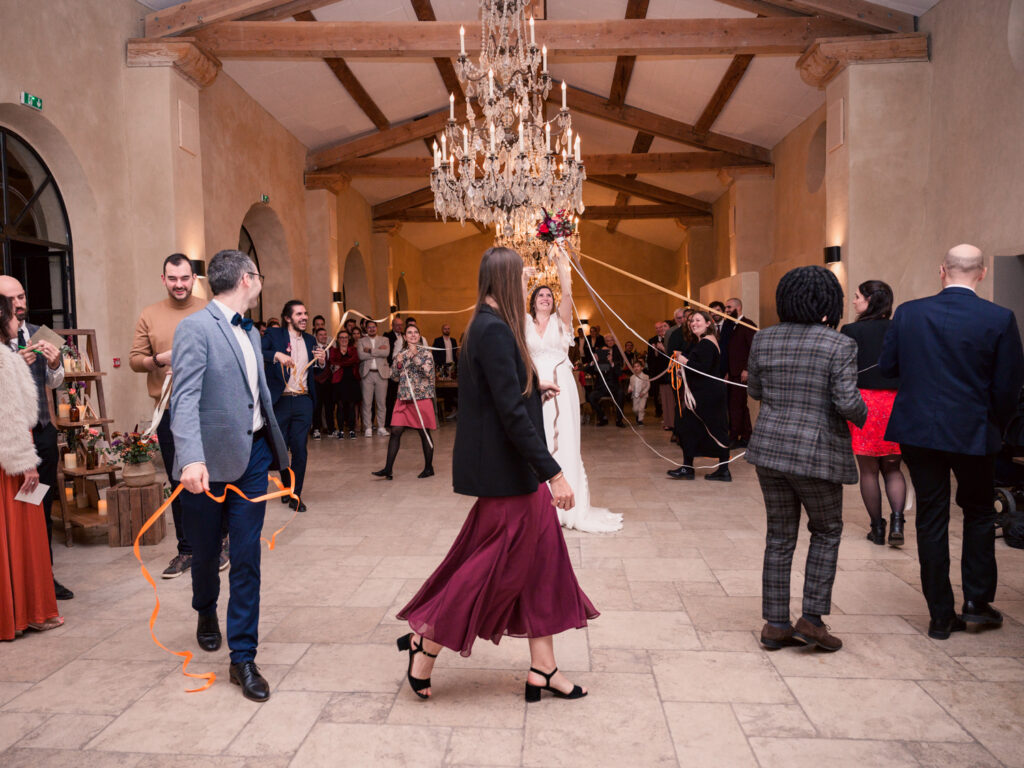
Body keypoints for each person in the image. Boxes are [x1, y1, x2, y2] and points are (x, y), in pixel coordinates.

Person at [395, 246, 597, 701]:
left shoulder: (492, 327)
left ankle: (543, 668)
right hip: (506, 472)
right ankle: (426, 643)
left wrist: (535, 385)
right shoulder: (492, 330)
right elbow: (508, 413)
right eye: (523, 280)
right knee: (487, 567)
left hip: (509, 471)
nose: (526, 288)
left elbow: (502, 391)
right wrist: (555, 474)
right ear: (506, 281)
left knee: (543, 561)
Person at [879, 244, 1024, 640]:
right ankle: (977, 602)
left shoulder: (909, 313)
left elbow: (889, 367)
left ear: (942, 270)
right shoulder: (998, 318)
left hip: (919, 430)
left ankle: (940, 614)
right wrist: (993, 421)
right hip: (973, 430)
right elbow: (1009, 386)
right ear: (982, 274)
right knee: (978, 512)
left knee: (931, 514)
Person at [170, 249, 290, 702]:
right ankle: (205, 609)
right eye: (258, 276)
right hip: (207, 463)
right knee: (204, 552)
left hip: (254, 456)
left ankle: (243, 657)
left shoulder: (252, 333)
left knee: (246, 556)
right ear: (246, 279)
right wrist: (190, 460)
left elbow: (254, 396)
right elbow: (184, 399)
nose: (260, 281)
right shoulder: (195, 328)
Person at [746, 266, 867, 653]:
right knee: (827, 530)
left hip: (771, 449)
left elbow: (755, 389)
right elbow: (847, 402)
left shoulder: (763, 339)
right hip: (817, 453)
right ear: (828, 303)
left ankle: (775, 623)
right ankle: (812, 620)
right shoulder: (839, 345)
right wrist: (865, 415)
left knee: (779, 536)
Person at [130, 254, 225, 579]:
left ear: (193, 279)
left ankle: (219, 542)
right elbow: (134, 360)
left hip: (208, 411)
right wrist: (159, 360)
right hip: (170, 412)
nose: (179, 284)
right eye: (173, 279)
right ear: (164, 279)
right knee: (178, 481)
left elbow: (226, 357)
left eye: (185, 278)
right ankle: (187, 549)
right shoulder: (150, 314)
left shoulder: (210, 310)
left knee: (216, 478)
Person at [527, 269, 623, 533]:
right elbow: (513, 301)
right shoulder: (524, 322)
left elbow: (568, 294)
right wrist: (524, 279)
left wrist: (560, 260)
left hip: (561, 385)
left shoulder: (561, 321)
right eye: (540, 295)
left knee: (565, 439)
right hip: (532, 386)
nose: (545, 298)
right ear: (533, 300)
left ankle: (565, 505)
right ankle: (537, 504)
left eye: (549, 295)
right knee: (536, 436)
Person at [0, 275, 72, 601]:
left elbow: (56, 381)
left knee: (42, 506)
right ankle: (16, 581)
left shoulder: (41, 332)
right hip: (11, 439)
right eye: (11, 299)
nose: (19, 303)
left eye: (22, 295)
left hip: (42, 433)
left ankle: (46, 577)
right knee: (13, 512)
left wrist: (56, 362)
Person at [840, 280, 906, 547]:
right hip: (895, 404)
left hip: (864, 404)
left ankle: (877, 529)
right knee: (893, 468)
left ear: (869, 300)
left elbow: (843, 371)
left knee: (868, 471)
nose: (853, 301)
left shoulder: (851, 330)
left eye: (857, 297)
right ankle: (898, 521)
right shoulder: (901, 329)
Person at [262, 300, 325, 513]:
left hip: (302, 400)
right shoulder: (274, 335)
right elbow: (258, 351)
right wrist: (276, 355)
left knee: (299, 447)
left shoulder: (310, 339)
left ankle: (295, 494)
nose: (304, 317)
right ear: (288, 318)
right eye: (299, 314)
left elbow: (315, 371)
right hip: (280, 400)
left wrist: (321, 360)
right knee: (280, 449)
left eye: (305, 313)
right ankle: (287, 486)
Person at [667, 311, 731, 482]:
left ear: (708, 323)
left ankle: (722, 470)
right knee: (689, 428)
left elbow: (702, 369)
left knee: (715, 429)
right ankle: (688, 468)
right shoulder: (701, 342)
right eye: (691, 321)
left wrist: (684, 361)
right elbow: (702, 369)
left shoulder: (707, 343)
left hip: (708, 395)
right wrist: (682, 372)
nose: (693, 323)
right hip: (702, 393)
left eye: (698, 320)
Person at [373, 324, 436, 479]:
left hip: (421, 397)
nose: (413, 335)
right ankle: (388, 469)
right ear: (405, 337)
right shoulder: (401, 353)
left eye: (416, 332)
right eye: (409, 333)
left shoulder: (426, 353)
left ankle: (429, 468)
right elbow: (394, 376)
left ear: (419, 336)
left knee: (423, 432)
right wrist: (399, 363)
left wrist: (414, 355)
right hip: (403, 398)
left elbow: (427, 372)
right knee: (395, 431)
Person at [722, 298, 757, 447]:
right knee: (738, 405)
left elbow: (754, 349)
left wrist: (747, 369)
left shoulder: (747, 325)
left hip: (742, 373)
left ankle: (735, 437)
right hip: (732, 373)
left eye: (729, 307)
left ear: (739, 308)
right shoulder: (730, 326)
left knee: (736, 406)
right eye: (726, 308)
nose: (727, 310)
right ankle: (746, 436)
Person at [358, 320, 391, 437]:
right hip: (367, 374)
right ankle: (368, 427)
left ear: (377, 328)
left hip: (381, 374)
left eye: (373, 327)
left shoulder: (384, 340)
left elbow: (386, 353)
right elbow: (361, 355)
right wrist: (378, 351)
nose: (371, 329)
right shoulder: (361, 341)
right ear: (366, 329)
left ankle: (381, 427)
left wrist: (370, 350)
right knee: (367, 402)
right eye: (369, 327)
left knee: (381, 403)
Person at [331, 328, 361, 439]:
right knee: (340, 406)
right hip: (339, 381)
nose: (344, 339)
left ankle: (352, 430)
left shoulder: (353, 350)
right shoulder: (334, 350)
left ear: (349, 339)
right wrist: (340, 364)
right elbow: (333, 362)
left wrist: (340, 364)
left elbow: (354, 360)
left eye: (346, 337)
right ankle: (341, 431)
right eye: (341, 337)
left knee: (352, 405)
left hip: (352, 380)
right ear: (338, 339)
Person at [648, 320, 672, 429]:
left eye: (662, 327)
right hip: (657, 372)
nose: (660, 329)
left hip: (668, 370)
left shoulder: (669, 339)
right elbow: (650, 358)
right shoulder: (651, 340)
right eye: (657, 328)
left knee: (669, 397)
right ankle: (660, 413)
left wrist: (662, 349)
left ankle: (669, 419)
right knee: (658, 394)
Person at [311, 327, 333, 439]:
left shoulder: (331, 348)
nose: (324, 337)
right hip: (316, 381)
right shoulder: (313, 349)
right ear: (316, 337)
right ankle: (316, 429)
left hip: (329, 381)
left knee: (329, 405)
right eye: (321, 335)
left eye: (325, 334)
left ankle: (331, 429)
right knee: (317, 406)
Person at [384, 316, 405, 428]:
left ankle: (402, 420)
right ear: (392, 325)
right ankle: (389, 422)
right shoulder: (387, 336)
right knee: (391, 397)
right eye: (397, 325)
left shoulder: (405, 336)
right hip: (392, 370)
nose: (400, 327)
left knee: (402, 397)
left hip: (404, 372)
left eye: (401, 325)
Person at [628, 360, 650, 426]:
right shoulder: (632, 377)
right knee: (635, 409)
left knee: (641, 408)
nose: (636, 368)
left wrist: (643, 392)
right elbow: (630, 385)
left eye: (638, 366)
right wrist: (629, 389)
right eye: (634, 367)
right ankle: (637, 416)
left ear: (642, 368)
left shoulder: (646, 376)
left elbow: (648, 386)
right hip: (635, 395)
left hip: (643, 395)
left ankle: (640, 420)